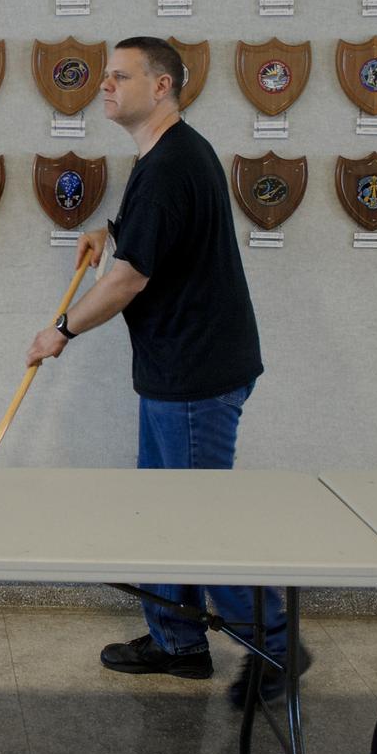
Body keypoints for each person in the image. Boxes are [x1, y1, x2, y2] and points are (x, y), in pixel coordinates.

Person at [25, 37, 307, 705]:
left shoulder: (173, 162)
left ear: (161, 87)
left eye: (120, 76)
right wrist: (108, 229)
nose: (104, 85)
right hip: (181, 365)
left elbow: (126, 283)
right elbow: (150, 233)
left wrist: (60, 332)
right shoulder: (167, 154)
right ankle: (179, 643)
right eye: (103, 76)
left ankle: (276, 640)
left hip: (196, 373)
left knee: (193, 518)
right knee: (165, 509)